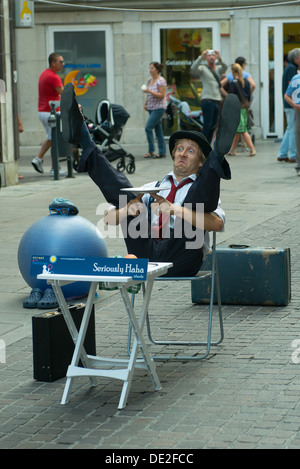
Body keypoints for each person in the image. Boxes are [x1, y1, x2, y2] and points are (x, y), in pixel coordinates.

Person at [60, 83, 240, 277]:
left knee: (192, 206)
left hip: (182, 258)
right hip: (145, 258)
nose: (183, 154)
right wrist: (127, 210)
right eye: (179, 149)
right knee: (127, 195)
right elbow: (107, 220)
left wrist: (174, 210)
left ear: (200, 162)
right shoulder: (154, 188)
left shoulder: (201, 189)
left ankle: (218, 154)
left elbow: (217, 224)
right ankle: (84, 138)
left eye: (191, 151)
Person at [32, 52, 66, 176]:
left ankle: (40, 160)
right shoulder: (54, 77)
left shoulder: (44, 74)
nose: (63, 64)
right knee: (55, 139)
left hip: (43, 111)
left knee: (52, 139)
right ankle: (53, 168)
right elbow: (64, 94)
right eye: (60, 62)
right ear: (53, 63)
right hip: (50, 113)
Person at [190, 49, 227, 144]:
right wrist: (200, 57)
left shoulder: (218, 68)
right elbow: (193, 68)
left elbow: (225, 67)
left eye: (213, 56)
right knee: (207, 125)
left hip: (217, 101)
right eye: (209, 56)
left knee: (213, 126)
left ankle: (207, 146)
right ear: (206, 58)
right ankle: (200, 145)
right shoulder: (203, 68)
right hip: (207, 100)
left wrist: (220, 58)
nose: (211, 57)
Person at [226, 63, 256, 157]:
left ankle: (252, 149)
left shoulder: (233, 83)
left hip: (236, 109)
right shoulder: (246, 82)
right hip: (244, 108)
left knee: (243, 130)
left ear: (233, 71)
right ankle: (232, 150)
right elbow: (249, 94)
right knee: (237, 131)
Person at [277, 48, 300, 163]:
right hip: (292, 104)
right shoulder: (292, 68)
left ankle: (282, 153)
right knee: (293, 129)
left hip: (289, 103)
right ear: (296, 58)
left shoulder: (289, 67)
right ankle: (293, 155)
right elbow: (292, 87)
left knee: (289, 128)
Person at [142, 62, 167, 159]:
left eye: (152, 68)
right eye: (150, 68)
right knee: (158, 130)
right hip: (151, 108)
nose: (150, 70)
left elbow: (161, 95)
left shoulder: (161, 80)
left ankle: (151, 150)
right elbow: (148, 95)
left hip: (159, 108)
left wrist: (149, 91)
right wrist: (146, 103)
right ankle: (162, 151)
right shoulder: (150, 80)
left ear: (157, 70)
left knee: (148, 127)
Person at [284, 74, 300, 176]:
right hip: (299, 112)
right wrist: (295, 105)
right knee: (298, 139)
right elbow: (287, 96)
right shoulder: (296, 78)